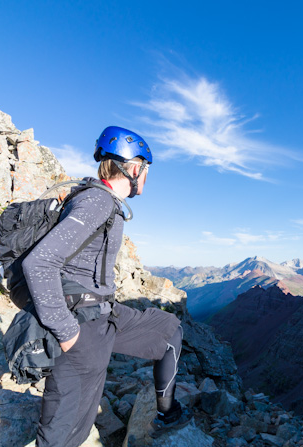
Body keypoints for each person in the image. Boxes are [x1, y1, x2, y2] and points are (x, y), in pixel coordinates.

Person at [22, 126, 188, 447]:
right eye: (147, 169)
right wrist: (66, 331)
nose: (147, 176)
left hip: (104, 316)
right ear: (134, 167)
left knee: (168, 331)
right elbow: (39, 262)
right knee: (64, 436)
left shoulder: (104, 201)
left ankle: (168, 412)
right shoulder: (97, 201)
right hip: (80, 332)